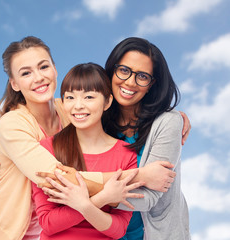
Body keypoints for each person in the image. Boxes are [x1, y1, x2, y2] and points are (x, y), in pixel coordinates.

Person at [0, 36, 147, 240]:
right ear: (14, 83)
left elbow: (110, 105)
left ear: (54, 69)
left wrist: (175, 118)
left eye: (43, 67)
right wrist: (138, 177)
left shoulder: (70, 109)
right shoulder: (13, 123)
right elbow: (55, 177)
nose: (38, 78)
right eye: (26, 73)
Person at [41, 37, 191, 239]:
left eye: (143, 76)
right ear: (112, 70)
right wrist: (5, 153)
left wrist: (77, 189)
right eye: (124, 71)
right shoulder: (94, 117)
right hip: (104, 231)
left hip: (154, 233)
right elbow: (45, 109)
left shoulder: (167, 123)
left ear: (152, 84)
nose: (130, 82)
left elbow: (148, 198)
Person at [32, 62, 141, 239]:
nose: (78, 106)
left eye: (89, 97)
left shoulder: (126, 154)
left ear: (107, 102)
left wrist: (83, 204)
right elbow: (48, 222)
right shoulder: (47, 149)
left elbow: (119, 229)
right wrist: (102, 198)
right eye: (70, 97)